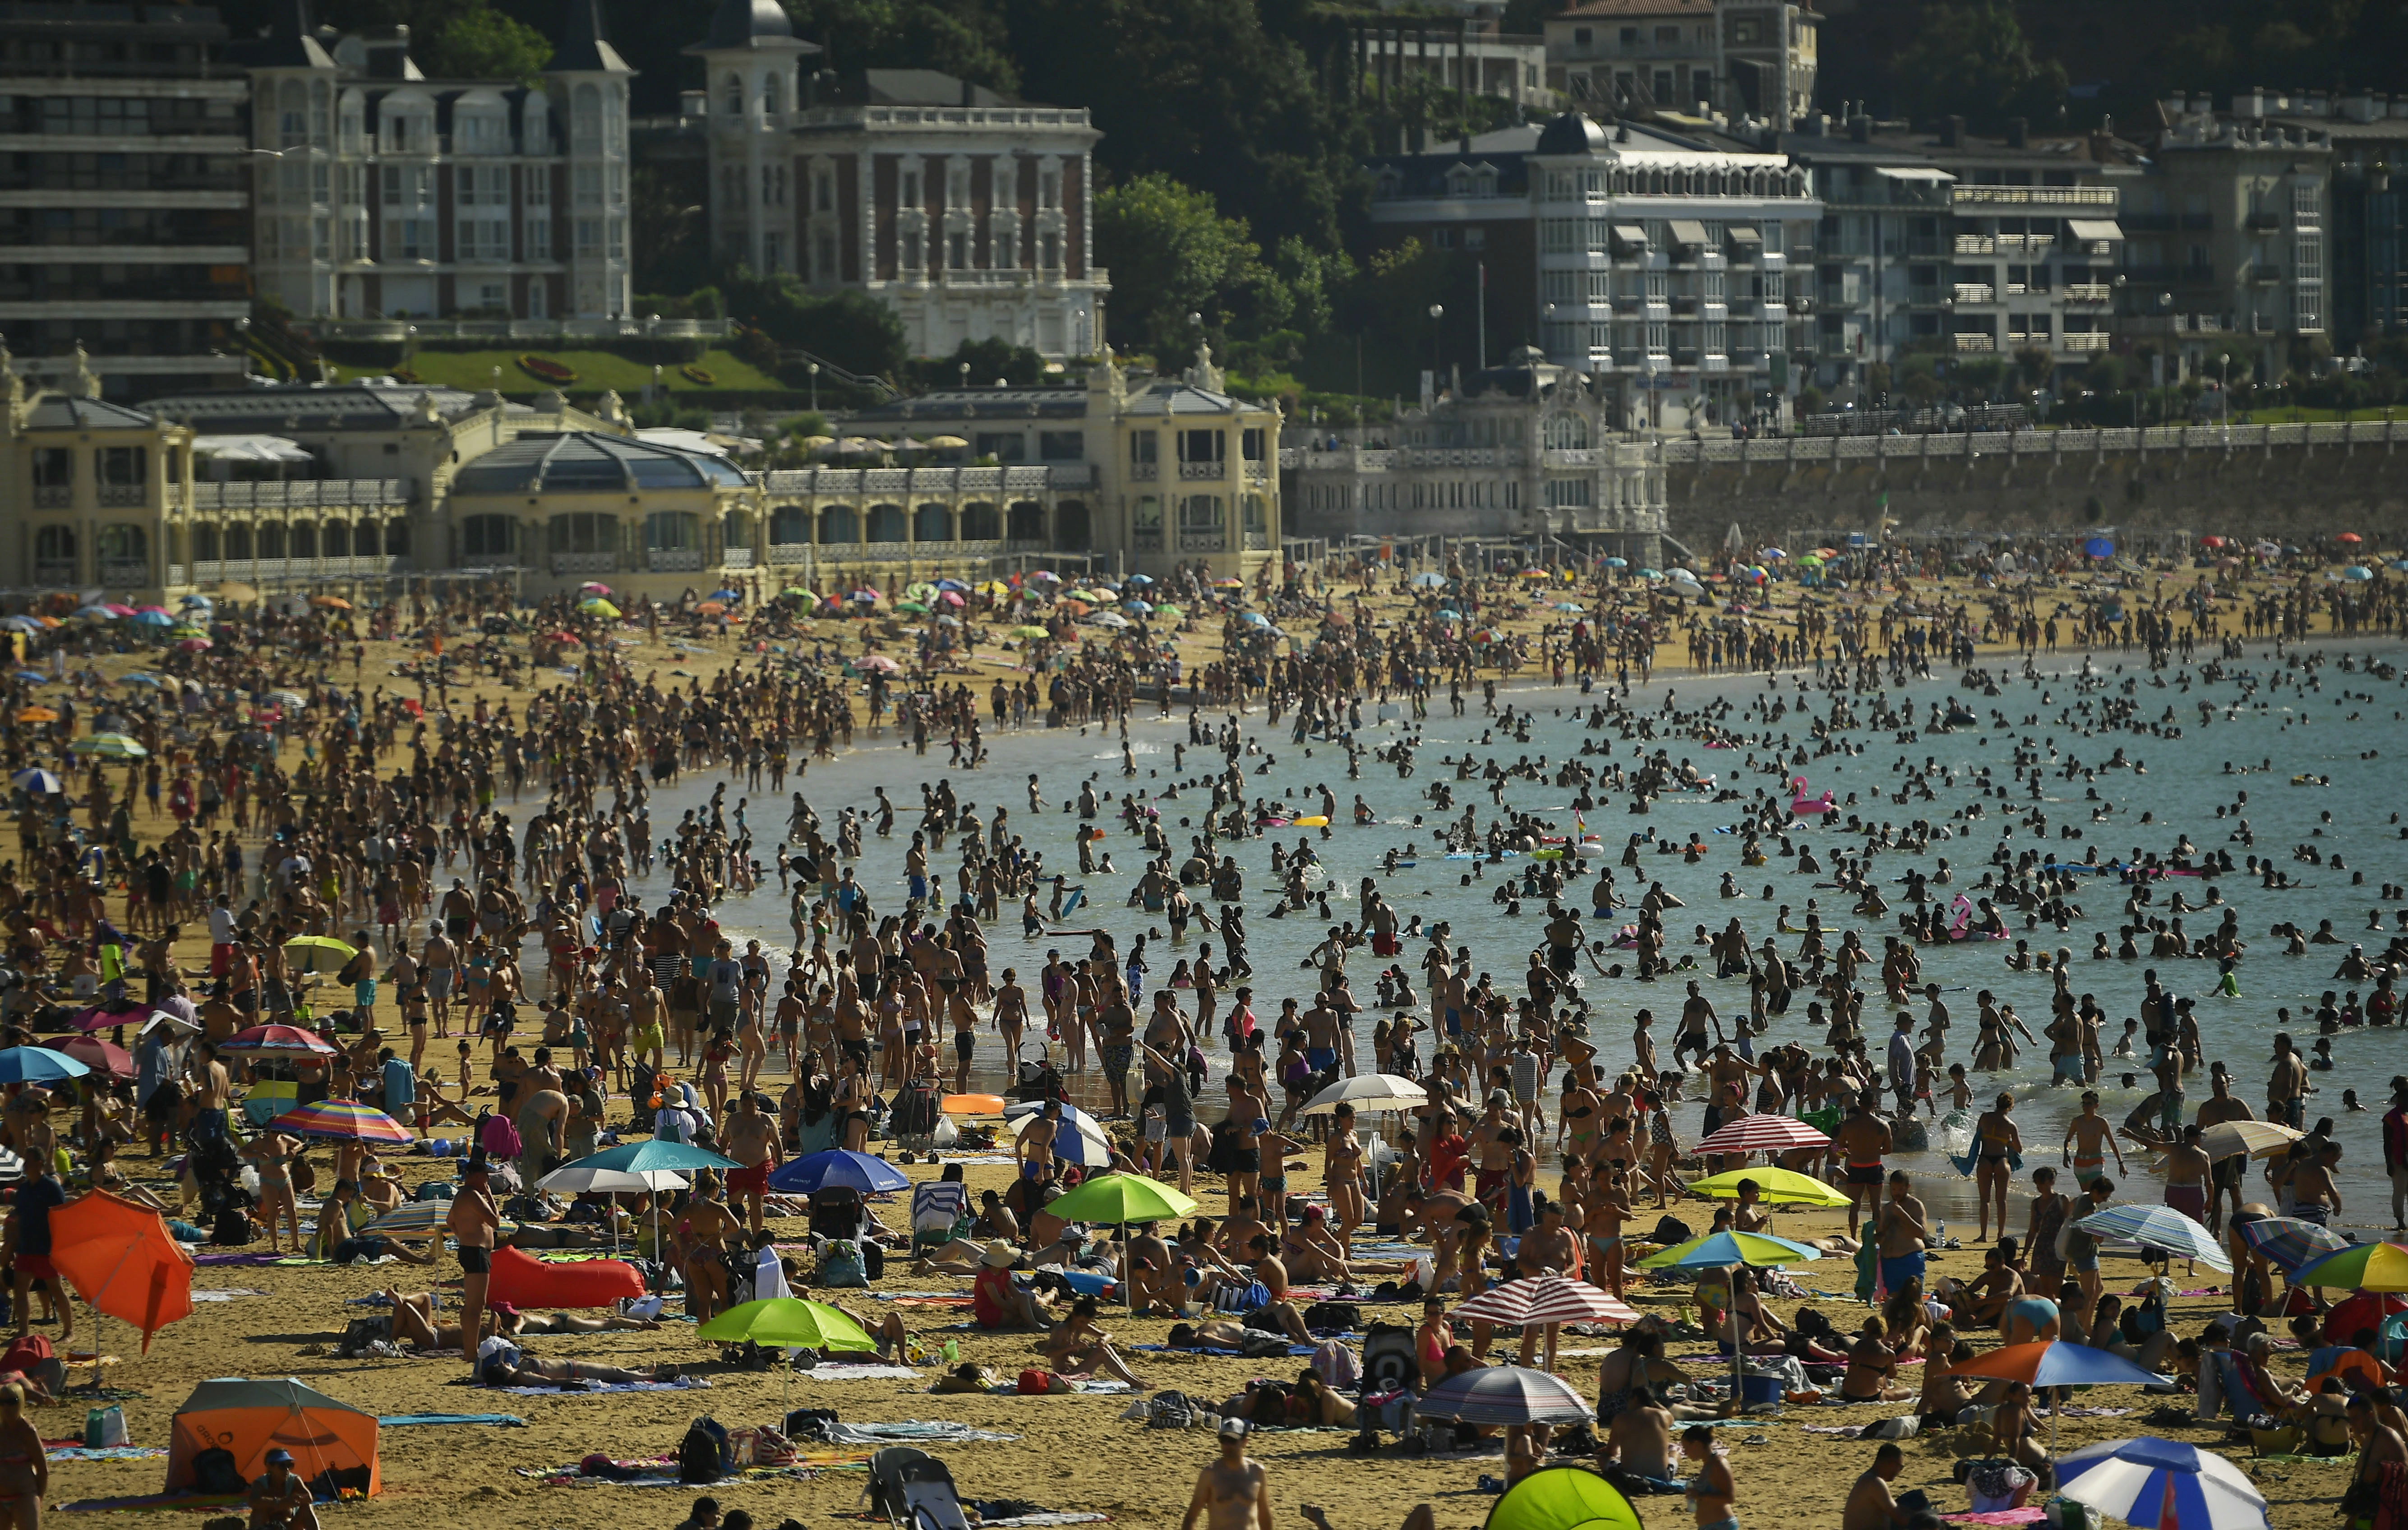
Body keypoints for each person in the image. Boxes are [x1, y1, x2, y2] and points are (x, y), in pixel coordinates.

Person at [445, 1159, 501, 1380]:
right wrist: (490, 1196)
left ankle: (470, 1350)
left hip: (472, 1250)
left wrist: (463, 1236)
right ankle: (470, 1352)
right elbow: (495, 1221)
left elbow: (450, 1221)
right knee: (476, 1305)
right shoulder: (473, 1195)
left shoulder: (462, 1195)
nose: (488, 1180)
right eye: (486, 1176)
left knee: (473, 1304)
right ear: (477, 1176)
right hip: (476, 1252)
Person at [1181, 1419, 1271, 1530]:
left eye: (1233, 1441)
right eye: (1224, 1440)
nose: (1228, 1445)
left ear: (1245, 1442)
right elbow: (1191, 1517)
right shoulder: (1210, 1474)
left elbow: (1264, 1515)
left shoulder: (1257, 1472)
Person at [0, 1382, 44, 1530]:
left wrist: (39, 1499)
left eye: (12, 1402)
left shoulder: (28, 1432)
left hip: (24, 1496)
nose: (6, 1407)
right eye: (2, 1402)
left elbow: (42, 1469)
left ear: (21, 1402)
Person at [1679, 1422, 1736, 1530]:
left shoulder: (1719, 1464)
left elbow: (1730, 1498)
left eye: (1686, 1448)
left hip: (1722, 1525)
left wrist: (1700, 1496)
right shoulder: (1708, 1465)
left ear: (1697, 1445)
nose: (1685, 1453)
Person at [247, 1447, 316, 1530]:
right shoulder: (261, 1483)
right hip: (267, 1526)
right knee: (258, 1510)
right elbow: (252, 1501)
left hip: (290, 1526)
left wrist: (296, 1500)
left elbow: (309, 1498)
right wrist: (280, 1503)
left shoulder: (294, 1480)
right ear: (270, 1467)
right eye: (282, 1466)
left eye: (289, 1465)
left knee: (307, 1508)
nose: (287, 1470)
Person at [1842, 1442, 1908, 1530]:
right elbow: (1900, 1517)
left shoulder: (1868, 1479)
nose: (1899, 1471)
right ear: (1891, 1464)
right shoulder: (1874, 1482)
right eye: (1900, 1467)